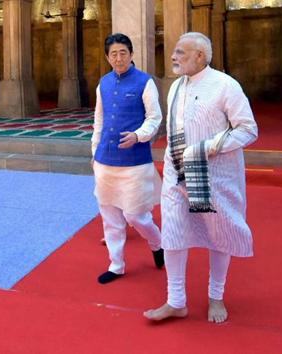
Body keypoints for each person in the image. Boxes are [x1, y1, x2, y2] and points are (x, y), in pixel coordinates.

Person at [143, 32, 258, 323]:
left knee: (217, 233)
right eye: (174, 52)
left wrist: (206, 148)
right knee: (173, 231)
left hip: (210, 173)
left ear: (200, 56)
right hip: (177, 171)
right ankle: (176, 301)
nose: (173, 57)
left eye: (180, 52)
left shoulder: (225, 85)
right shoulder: (175, 88)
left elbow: (247, 129)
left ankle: (215, 296)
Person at [91, 33, 164, 284]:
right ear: (107, 57)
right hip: (105, 160)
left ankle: (157, 242)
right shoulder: (103, 83)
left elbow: (154, 118)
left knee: (135, 216)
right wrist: (94, 153)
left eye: (123, 53)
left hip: (134, 161)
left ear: (131, 54)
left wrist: (139, 135)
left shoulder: (145, 82)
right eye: (113, 54)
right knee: (110, 216)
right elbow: (98, 120)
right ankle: (116, 264)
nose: (118, 58)